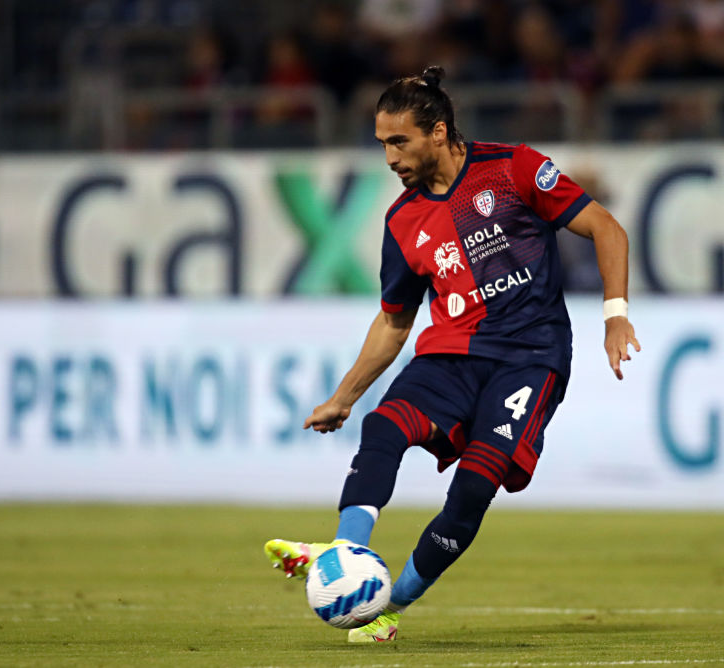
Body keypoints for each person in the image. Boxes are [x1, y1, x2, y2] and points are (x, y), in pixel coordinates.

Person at [264, 65, 640, 643]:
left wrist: (614, 318)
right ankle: (344, 552)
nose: (389, 157)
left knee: (471, 491)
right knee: (384, 425)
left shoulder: (512, 169)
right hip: (452, 355)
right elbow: (394, 324)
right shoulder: (402, 219)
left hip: (529, 358)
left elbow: (606, 228)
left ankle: (388, 607)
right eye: (382, 143)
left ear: (438, 132)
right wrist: (342, 398)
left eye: (399, 141)